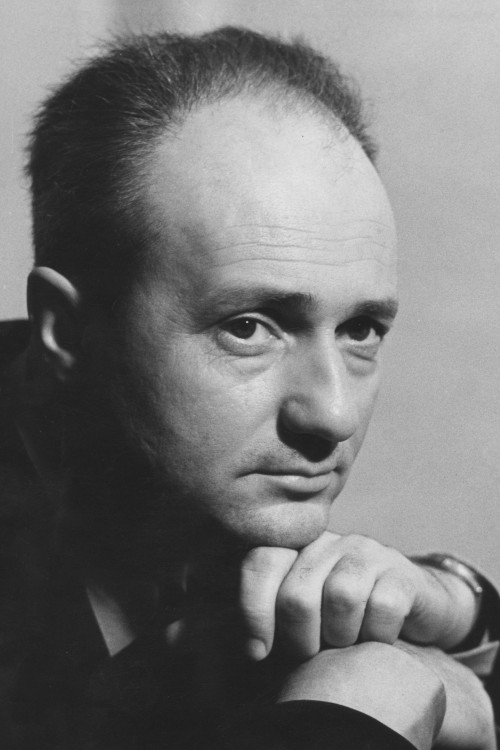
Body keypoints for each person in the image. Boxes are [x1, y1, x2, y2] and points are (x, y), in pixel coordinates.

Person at [0, 26, 498, 749]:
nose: (332, 413)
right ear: (67, 333)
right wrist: (349, 717)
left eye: (361, 329)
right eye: (248, 328)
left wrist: (456, 609)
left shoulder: (191, 502)